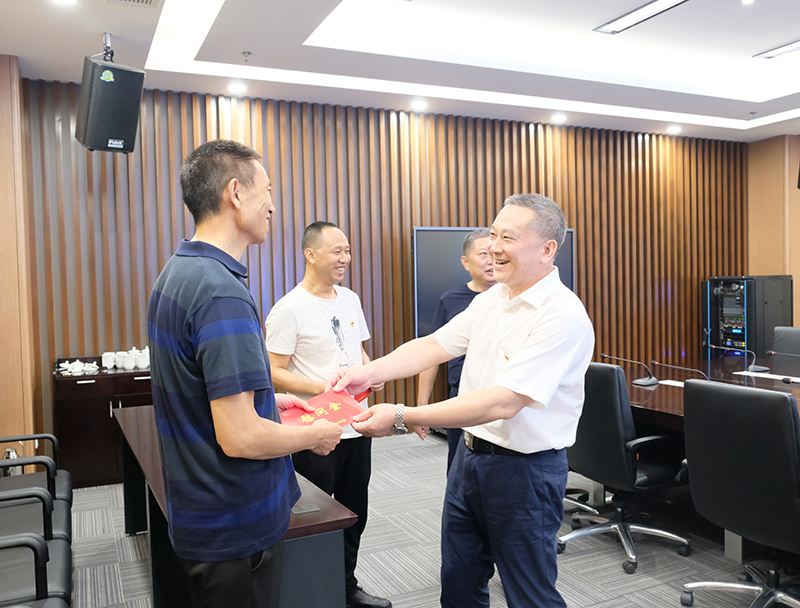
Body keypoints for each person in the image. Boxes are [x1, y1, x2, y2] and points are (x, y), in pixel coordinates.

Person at [329, 193, 594, 608]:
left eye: (508, 237)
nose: (494, 247)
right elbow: (434, 345)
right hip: (468, 460)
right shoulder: (493, 299)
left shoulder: (562, 316)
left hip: (524, 473)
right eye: (493, 234)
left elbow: (503, 403)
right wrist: (369, 373)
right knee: (459, 580)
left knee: (529, 594)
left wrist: (401, 415)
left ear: (547, 250)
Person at [147, 140, 342, 608]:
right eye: (267, 191)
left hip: (202, 513)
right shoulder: (220, 293)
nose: (273, 206)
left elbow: (206, 394)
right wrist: (313, 435)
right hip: (235, 525)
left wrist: (270, 402)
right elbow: (239, 437)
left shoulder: (178, 272)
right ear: (235, 193)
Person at [265, 221, 391, 608]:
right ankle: (309, 594)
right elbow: (272, 370)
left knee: (354, 512)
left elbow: (358, 351)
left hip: (357, 425)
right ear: (310, 254)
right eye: (337, 251)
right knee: (313, 517)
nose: (345, 258)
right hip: (313, 431)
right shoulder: (289, 308)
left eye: (347, 251)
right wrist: (321, 388)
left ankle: (346, 587)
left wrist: (370, 373)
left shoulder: (350, 299)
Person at [416, 228, 496, 469]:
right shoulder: (450, 300)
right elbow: (432, 354)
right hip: (461, 396)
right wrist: (421, 407)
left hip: (499, 397)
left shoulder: (514, 298)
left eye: (495, 253)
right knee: (459, 466)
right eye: (483, 254)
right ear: (465, 261)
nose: (491, 260)